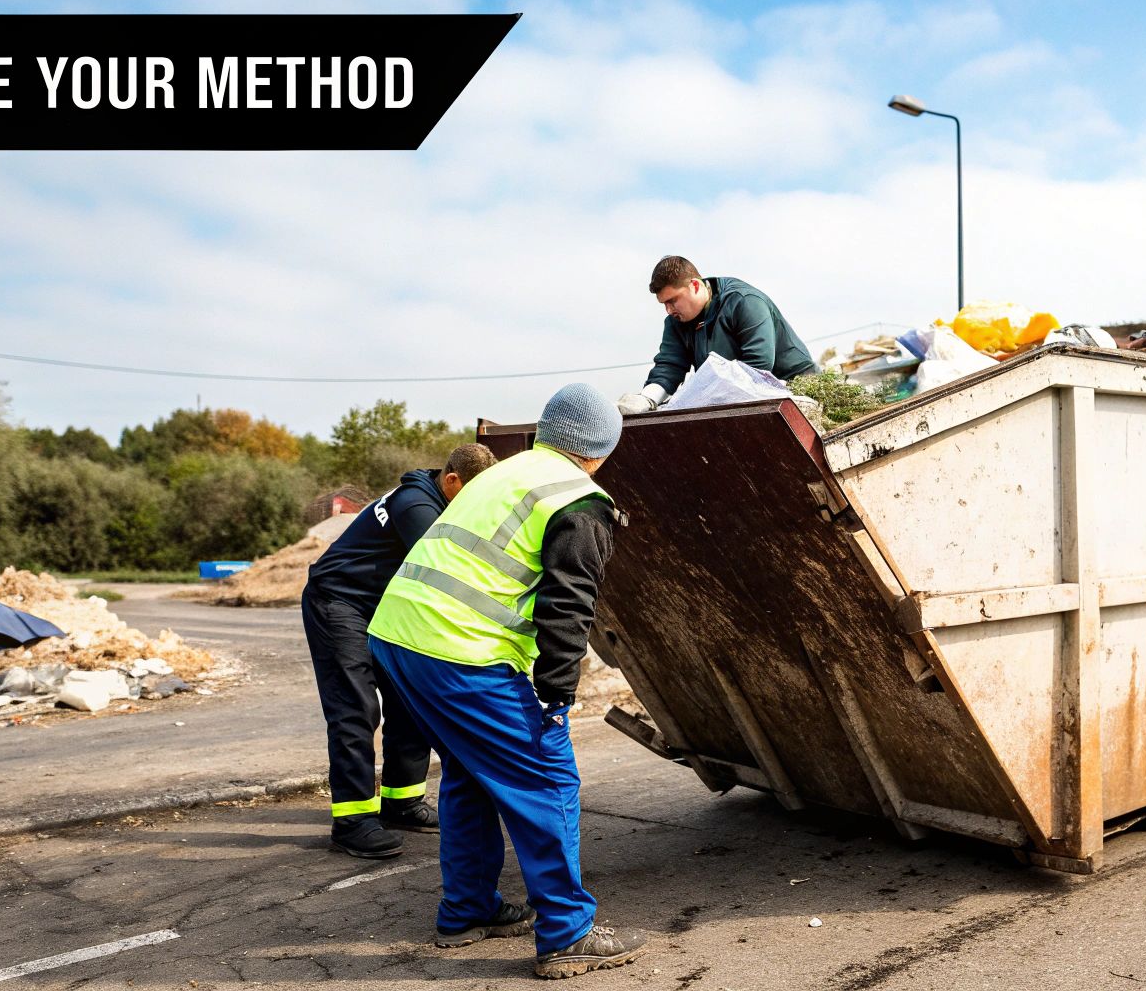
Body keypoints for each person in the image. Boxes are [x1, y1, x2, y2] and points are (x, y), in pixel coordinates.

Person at [368, 382, 649, 980]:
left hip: (398, 635)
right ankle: (567, 933)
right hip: (456, 651)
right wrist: (555, 693)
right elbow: (568, 606)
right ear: (601, 449)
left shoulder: (505, 471)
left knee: (470, 773)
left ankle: (468, 912)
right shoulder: (579, 498)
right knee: (548, 777)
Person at [301, 443, 497, 859]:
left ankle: (401, 802)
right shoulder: (416, 509)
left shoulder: (434, 497)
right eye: (473, 493)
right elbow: (450, 574)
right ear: (451, 481)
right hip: (339, 602)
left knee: (409, 701)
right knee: (355, 709)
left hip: (382, 607)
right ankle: (352, 821)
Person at [617, 254, 815, 413]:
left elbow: (758, 367)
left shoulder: (744, 302)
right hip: (740, 401)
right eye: (664, 304)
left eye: (673, 300)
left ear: (695, 285)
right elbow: (670, 365)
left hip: (797, 392)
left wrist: (706, 398)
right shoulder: (676, 322)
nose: (668, 310)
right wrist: (648, 398)